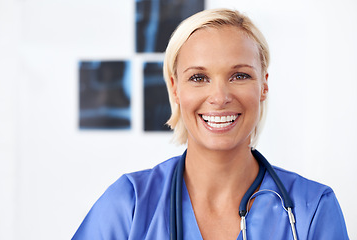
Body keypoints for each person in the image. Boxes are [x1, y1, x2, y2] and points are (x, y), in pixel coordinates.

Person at [72, 8, 349, 239]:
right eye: (198, 77)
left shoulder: (312, 209)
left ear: (264, 85)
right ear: (175, 88)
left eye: (239, 76)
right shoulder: (129, 204)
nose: (219, 98)